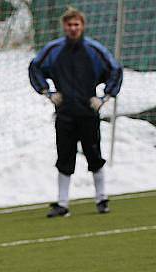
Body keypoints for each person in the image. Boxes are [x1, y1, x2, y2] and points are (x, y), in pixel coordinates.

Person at [28, 6, 122, 218]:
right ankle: (63, 203)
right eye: (69, 25)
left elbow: (115, 70)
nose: (73, 28)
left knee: (94, 154)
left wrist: (104, 97)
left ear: (82, 26)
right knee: (64, 156)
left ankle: (101, 198)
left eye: (76, 24)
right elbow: (34, 68)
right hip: (64, 113)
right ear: (64, 26)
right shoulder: (54, 50)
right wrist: (48, 93)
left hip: (88, 112)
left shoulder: (94, 50)